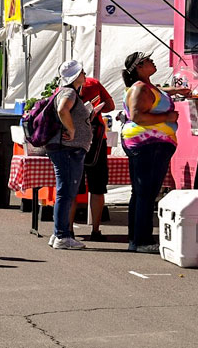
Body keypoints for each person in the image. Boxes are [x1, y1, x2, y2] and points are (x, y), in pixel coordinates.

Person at [121, 52, 189, 253]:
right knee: (146, 193)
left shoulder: (146, 86)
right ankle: (141, 241)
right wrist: (168, 116)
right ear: (140, 67)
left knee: (142, 193)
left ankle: (136, 238)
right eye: (148, 60)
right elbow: (137, 116)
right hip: (148, 144)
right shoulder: (140, 88)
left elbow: (157, 91)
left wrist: (176, 90)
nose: (153, 61)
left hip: (148, 144)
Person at [47, 60, 102, 250]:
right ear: (75, 76)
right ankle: (62, 235)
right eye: (82, 72)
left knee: (65, 192)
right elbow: (63, 109)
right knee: (66, 192)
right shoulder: (69, 92)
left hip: (66, 149)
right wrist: (71, 130)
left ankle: (58, 234)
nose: (85, 74)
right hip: (69, 149)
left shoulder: (66, 91)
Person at [76, 74, 115, 241]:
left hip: (72, 140)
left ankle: (67, 230)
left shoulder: (62, 87)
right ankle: (96, 230)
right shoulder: (93, 83)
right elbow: (110, 106)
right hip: (96, 139)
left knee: (71, 189)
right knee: (97, 188)